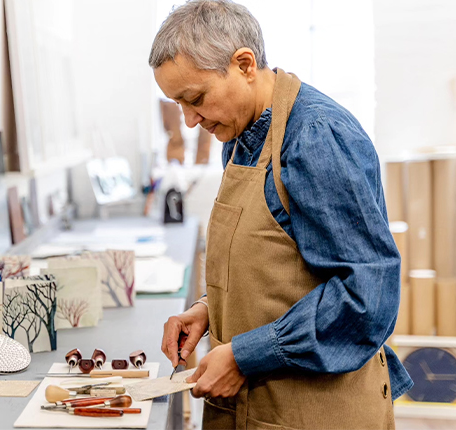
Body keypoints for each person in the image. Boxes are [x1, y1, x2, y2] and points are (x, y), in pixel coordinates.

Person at [149, 1, 413, 428]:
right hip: (262, 407)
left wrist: (243, 355)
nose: (190, 120)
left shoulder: (314, 138)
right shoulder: (241, 137)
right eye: (178, 104)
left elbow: (367, 297)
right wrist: (209, 308)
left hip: (317, 412)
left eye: (195, 99)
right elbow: (278, 266)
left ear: (244, 64)